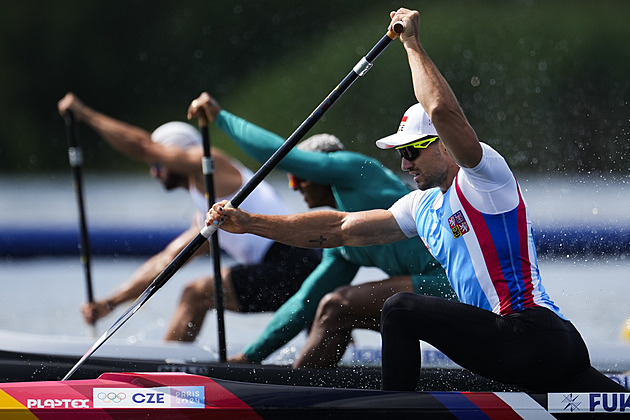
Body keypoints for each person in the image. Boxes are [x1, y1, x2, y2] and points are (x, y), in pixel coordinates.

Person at [204, 8, 627, 392]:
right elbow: (337, 229)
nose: (404, 164)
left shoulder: (486, 179)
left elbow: (442, 110)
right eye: (400, 153)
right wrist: (250, 221)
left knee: (400, 309)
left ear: (442, 144)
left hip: (530, 333)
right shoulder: (420, 207)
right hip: (542, 349)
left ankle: (395, 408)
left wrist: (411, 43)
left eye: (412, 150)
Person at [188, 93, 455, 368]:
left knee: (338, 305)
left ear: (318, 172)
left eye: (298, 177)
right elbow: (304, 303)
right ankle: (308, 391)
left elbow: (281, 156)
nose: (295, 186)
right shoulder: (342, 248)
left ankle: (299, 395)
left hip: (454, 285)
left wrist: (220, 118)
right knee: (328, 311)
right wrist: (249, 358)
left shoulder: (355, 170)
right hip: (428, 295)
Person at [57, 93, 321, 342]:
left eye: (158, 163)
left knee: (195, 294)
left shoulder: (209, 163)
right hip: (293, 267)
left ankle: (167, 372)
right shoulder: (208, 212)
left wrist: (85, 114)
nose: (154, 172)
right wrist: (110, 302)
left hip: (294, 262)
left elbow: (142, 146)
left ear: (178, 155)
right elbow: (168, 260)